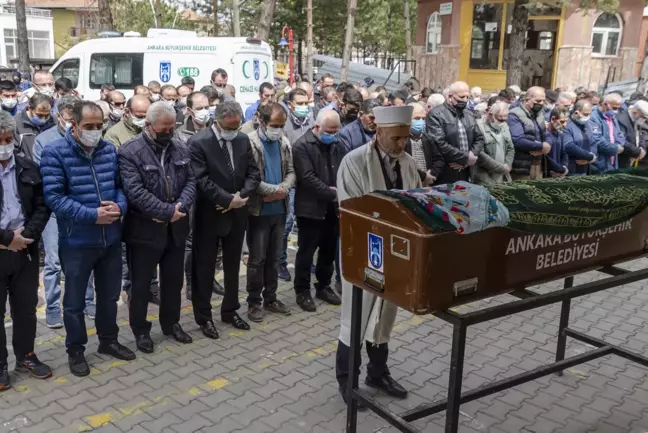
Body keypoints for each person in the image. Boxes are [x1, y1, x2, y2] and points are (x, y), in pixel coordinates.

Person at [41, 101, 136, 377]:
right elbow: (54, 198)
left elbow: (120, 187)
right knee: (74, 303)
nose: (95, 131)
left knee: (108, 297)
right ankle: (76, 350)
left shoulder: (108, 150)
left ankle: (108, 341)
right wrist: (92, 215)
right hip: (77, 242)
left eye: (99, 126)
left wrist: (120, 207)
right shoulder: (54, 153)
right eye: (89, 126)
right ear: (74, 125)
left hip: (110, 240)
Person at [335, 105, 421, 407]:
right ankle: (347, 380)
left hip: (396, 254)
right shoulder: (354, 162)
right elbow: (351, 210)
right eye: (397, 138)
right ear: (380, 131)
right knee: (356, 316)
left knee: (386, 315)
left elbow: (417, 202)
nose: (402, 145)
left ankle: (377, 372)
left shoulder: (408, 163)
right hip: (364, 253)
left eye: (406, 138)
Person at [119, 102, 195, 353]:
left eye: (172, 128)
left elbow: (191, 181)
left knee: (173, 281)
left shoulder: (180, 147)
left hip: (176, 229)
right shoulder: (130, 152)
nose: (169, 134)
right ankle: (141, 330)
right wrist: (167, 212)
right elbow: (135, 192)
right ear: (149, 126)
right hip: (145, 231)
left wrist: (180, 207)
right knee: (141, 285)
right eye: (164, 129)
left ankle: (171, 323)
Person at [189, 100, 260, 338]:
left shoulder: (241, 140)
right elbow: (201, 180)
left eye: (237, 126)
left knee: (232, 267)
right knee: (205, 268)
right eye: (228, 127)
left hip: (237, 212)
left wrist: (241, 196)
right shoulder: (198, 142)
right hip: (209, 214)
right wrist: (226, 199)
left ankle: (230, 309)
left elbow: (253, 172)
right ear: (217, 123)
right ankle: (204, 316)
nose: (233, 131)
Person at [33, 95, 96, 328]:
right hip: (53, 211)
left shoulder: (86, 139)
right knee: (53, 263)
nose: (70, 124)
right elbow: (48, 178)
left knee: (85, 259)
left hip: (81, 210)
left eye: (74, 120)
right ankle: (52, 308)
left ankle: (88, 302)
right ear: (58, 116)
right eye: (67, 119)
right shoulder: (44, 140)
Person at [0, 110, 52, 389]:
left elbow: (42, 206)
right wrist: (7, 238)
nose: (5, 145)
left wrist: (28, 235)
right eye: (0, 140)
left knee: (25, 308)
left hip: (25, 251)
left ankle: (26, 356)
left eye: (9, 139)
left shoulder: (27, 167)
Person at [246, 103, 295, 322]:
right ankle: (254, 301)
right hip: (259, 211)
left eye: (282, 125)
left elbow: (292, 171)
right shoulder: (250, 142)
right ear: (262, 122)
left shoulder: (283, 142)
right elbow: (251, 178)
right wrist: (275, 190)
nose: (278, 129)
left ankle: (271, 297)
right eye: (274, 125)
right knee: (257, 260)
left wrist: (283, 189)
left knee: (274, 258)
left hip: (279, 209)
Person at [292, 110, 344, 312]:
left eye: (335, 131)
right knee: (306, 252)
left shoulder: (337, 144)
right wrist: (332, 194)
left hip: (332, 209)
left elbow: (343, 169)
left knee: (328, 251)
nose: (333, 135)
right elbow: (307, 177)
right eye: (329, 131)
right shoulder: (302, 146)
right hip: (310, 209)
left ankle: (323, 285)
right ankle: (302, 290)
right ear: (317, 127)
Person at [426, 81, 484, 184]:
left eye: (468, 97)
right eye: (462, 97)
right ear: (450, 96)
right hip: (446, 171)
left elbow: (479, 138)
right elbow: (439, 143)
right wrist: (465, 158)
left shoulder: (468, 114)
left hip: (467, 171)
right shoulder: (436, 115)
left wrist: (471, 155)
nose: (465, 100)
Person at [507, 86, 551, 180]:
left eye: (543, 101)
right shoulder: (514, 114)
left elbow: (546, 134)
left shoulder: (539, 114)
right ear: (527, 100)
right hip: (522, 166)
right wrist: (541, 146)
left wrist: (548, 144)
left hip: (539, 164)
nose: (541, 104)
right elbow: (518, 140)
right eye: (538, 101)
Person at [474, 101, 515, 184]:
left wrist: (508, 164)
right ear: (490, 115)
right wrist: (501, 168)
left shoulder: (505, 125)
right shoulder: (478, 126)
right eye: (499, 117)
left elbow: (510, 148)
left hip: (503, 175)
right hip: (485, 176)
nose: (503, 120)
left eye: (505, 117)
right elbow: (479, 154)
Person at [589, 93, 626, 173]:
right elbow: (597, 139)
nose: (616, 111)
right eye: (614, 108)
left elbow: (619, 134)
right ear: (605, 104)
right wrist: (615, 148)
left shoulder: (612, 117)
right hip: (599, 163)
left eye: (618, 108)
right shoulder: (593, 117)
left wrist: (619, 145)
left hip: (612, 161)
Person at [406, 103, 440, 185]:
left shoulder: (428, 138)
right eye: (417, 118)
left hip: (428, 183)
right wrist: (423, 176)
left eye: (423, 118)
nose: (421, 121)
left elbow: (439, 159)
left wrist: (431, 174)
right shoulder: (402, 140)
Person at [15, 93, 55, 162]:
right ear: (29, 108)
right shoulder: (16, 123)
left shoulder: (54, 121)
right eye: (40, 115)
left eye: (47, 115)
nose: (44, 119)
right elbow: (14, 150)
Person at [562, 99, 598, 176]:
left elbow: (593, 142)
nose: (588, 117)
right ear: (576, 113)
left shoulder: (587, 124)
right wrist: (588, 156)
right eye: (585, 114)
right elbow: (569, 146)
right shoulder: (567, 125)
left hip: (585, 167)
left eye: (589, 114)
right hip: (571, 168)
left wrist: (590, 157)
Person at [616, 100, 648, 168]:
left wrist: (642, 148)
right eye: (644, 117)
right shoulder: (621, 120)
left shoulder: (637, 119)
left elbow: (641, 134)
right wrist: (637, 152)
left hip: (632, 158)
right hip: (622, 159)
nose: (644, 120)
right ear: (635, 112)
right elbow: (622, 141)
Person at [544, 107, 570, 177]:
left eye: (566, 121)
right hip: (547, 174)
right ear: (553, 119)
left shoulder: (560, 134)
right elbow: (546, 157)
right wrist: (560, 170)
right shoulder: (544, 134)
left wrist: (564, 167)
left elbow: (564, 153)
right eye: (562, 121)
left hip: (559, 173)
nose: (564, 125)